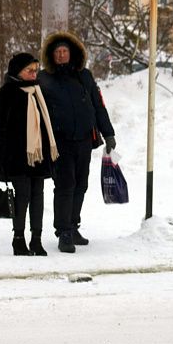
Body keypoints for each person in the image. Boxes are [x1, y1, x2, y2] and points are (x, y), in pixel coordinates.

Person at [38, 31, 116, 254]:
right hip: (59, 142)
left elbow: (98, 106)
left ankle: (73, 226)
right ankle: (63, 231)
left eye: (65, 51)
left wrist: (108, 133)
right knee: (65, 185)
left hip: (83, 140)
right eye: (57, 52)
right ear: (51, 56)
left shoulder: (85, 76)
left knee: (81, 185)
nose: (61, 55)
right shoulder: (44, 79)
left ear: (72, 54)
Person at [0, 53, 59, 256]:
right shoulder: (7, 93)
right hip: (16, 156)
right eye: (29, 70)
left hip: (37, 156)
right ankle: (18, 239)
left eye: (35, 70)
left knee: (38, 195)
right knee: (22, 196)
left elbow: (46, 124)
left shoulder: (38, 91)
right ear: (17, 71)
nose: (33, 74)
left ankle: (36, 240)